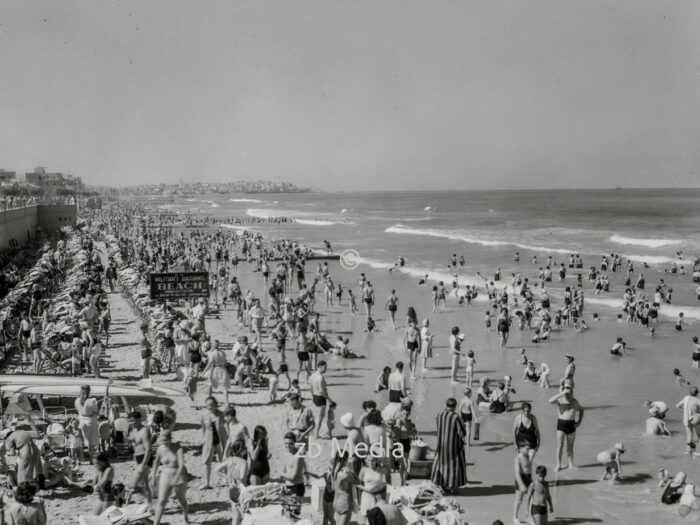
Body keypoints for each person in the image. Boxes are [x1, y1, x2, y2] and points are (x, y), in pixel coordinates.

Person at [151, 430, 189, 525]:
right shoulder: (160, 448)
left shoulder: (177, 447)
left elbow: (181, 464)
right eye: (162, 441)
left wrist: (176, 478)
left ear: (169, 439)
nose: (164, 443)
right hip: (165, 474)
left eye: (166, 441)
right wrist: (153, 476)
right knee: (161, 501)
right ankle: (156, 523)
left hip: (178, 474)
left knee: (182, 500)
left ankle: (186, 518)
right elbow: (156, 462)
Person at [431, 398, 467, 494]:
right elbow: (462, 433)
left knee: (441, 465)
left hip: (441, 444)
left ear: (446, 405)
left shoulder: (439, 414)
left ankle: (443, 486)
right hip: (452, 447)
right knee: (453, 467)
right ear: (455, 406)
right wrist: (464, 426)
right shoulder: (456, 417)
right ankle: (451, 487)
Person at [549, 380, 584, 471]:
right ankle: (558, 465)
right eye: (566, 387)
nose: (568, 389)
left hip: (571, 424)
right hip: (562, 424)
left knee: (570, 446)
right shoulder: (560, 399)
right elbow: (550, 401)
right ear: (564, 388)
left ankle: (571, 464)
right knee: (560, 445)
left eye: (569, 388)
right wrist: (561, 393)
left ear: (572, 389)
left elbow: (581, 410)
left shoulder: (574, 401)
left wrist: (579, 422)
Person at [213, 441, 249, 525]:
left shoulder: (229, 460)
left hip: (232, 491)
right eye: (245, 449)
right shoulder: (243, 462)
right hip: (242, 491)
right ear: (242, 451)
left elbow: (216, 470)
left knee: (235, 518)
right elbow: (242, 477)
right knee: (245, 516)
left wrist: (228, 477)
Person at [126, 411, 153, 508]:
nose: (130, 423)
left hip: (145, 459)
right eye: (129, 421)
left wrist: (143, 464)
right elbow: (132, 440)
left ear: (138, 420)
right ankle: (150, 503)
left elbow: (149, 450)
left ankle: (124, 506)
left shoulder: (144, 431)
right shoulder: (133, 430)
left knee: (133, 485)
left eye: (132, 421)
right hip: (138, 459)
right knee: (145, 485)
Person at [200, 396, 226, 489]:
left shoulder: (221, 414)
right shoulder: (204, 414)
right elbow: (203, 427)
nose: (210, 407)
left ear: (215, 405)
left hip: (220, 439)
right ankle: (207, 482)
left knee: (222, 459)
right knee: (207, 461)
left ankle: (224, 479)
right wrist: (203, 439)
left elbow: (225, 427)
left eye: (212, 405)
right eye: (208, 405)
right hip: (209, 439)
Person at [309, 361, 333, 439]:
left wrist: (313, 396)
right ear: (320, 366)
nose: (326, 369)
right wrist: (330, 400)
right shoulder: (321, 377)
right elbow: (323, 392)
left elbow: (311, 387)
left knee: (317, 416)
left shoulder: (312, 375)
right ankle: (316, 434)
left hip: (315, 396)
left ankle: (314, 432)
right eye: (325, 368)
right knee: (320, 417)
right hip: (321, 398)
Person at [279, 432, 307, 498]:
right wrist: (283, 482)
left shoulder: (298, 456)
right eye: (286, 443)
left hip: (297, 487)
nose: (287, 446)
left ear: (294, 443)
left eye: (290, 444)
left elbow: (292, 477)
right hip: (287, 487)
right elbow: (284, 471)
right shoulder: (286, 453)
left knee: (294, 508)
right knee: (287, 508)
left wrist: (281, 474)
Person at [676, 386, 700, 455]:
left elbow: (677, 405)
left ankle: (688, 451)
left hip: (687, 419)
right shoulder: (697, 400)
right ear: (697, 393)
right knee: (699, 436)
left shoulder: (686, 398)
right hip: (696, 418)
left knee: (689, 435)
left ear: (690, 393)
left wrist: (685, 411)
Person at [513, 442, 533, 524]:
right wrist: (521, 484)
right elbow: (517, 473)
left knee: (532, 498)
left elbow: (529, 469)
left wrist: (531, 481)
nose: (529, 450)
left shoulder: (528, 456)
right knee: (519, 500)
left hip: (529, 478)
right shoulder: (518, 458)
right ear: (521, 449)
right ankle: (515, 517)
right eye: (527, 449)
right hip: (521, 478)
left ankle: (528, 515)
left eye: (529, 448)